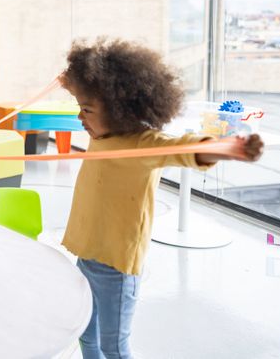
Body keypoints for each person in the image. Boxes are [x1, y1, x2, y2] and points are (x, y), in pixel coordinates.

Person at [60, 38, 263, 359]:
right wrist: (72, 83)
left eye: (86, 110)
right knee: (86, 334)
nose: (80, 117)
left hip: (115, 263)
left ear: (118, 110)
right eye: (79, 107)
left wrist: (229, 148)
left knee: (113, 346)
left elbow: (184, 148)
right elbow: (88, 93)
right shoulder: (100, 132)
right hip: (87, 251)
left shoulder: (143, 144)